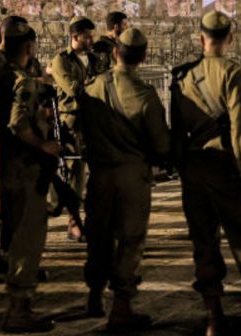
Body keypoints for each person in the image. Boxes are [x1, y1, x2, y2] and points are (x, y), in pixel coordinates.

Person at [170, 12, 241, 336]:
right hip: (225, 167)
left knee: (204, 241)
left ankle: (214, 318)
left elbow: (177, 132)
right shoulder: (232, 72)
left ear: (201, 38)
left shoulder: (182, 77)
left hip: (194, 168)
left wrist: (181, 168)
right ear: (229, 38)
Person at [76, 27, 169, 330]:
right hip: (131, 177)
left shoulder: (92, 88)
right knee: (129, 241)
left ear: (115, 52)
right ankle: (121, 307)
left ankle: (93, 295)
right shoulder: (145, 95)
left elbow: (82, 128)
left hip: (100, 174)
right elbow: (161, 145)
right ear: (143, 57)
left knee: (99, 236)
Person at [0, 22, 58, 332]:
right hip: (19, 164)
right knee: (27, 236)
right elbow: (17, 124)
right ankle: (18, 309)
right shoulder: (22, 80)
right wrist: (42, 143)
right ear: (28, 47)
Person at [49, 17, 108, 241]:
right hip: (73, 122)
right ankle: (74, 221)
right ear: (75, 37)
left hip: (95, 120)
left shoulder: (95, 59)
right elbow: (74, 89)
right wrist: (96, 85)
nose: (91, 39)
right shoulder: (61, 61)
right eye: (87, 35)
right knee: (76, 173)